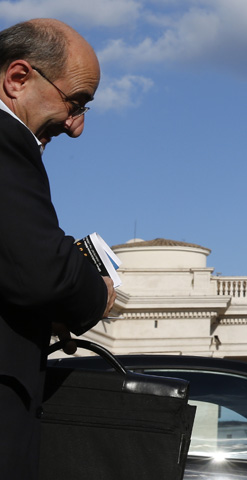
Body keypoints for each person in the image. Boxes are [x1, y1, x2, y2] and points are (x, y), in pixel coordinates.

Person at [0, 18, 115, 478]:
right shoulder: (7, 145)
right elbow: (43, 270)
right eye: (75, 103)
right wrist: (97, 294)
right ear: (17, 78)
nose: (77, 126)